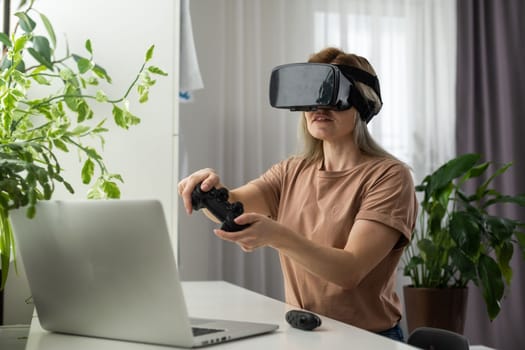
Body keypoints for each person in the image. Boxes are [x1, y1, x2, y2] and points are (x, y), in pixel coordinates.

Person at [178, 47, 417, 342]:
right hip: (303, 336)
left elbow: (350, 271)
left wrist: (277, 235)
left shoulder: (389, 176)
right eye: (311, 95)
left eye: (329, 94)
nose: (318, 106)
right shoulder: (290, 171)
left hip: (367, 339)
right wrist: (205, 189)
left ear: (361, 102)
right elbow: (232, 207)